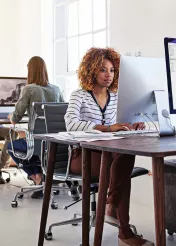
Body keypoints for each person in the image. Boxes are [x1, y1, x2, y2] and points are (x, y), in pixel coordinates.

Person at [64, 47, 154, 246]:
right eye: (103, 70)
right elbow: (70, 123)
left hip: (112, 154)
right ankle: (123, 229)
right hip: (83, 156)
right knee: (121, 165)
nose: (108, 75)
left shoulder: (116, 97)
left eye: (112, 71)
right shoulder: (79, 95)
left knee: (126, 155)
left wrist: (133, 123)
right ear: (91, 70)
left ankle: (113, 205)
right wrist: (106, 128)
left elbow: (120, 123)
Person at [8, 56, 64, 197]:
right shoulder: (56, 90)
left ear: (30, 71)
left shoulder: (29, 89)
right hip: (56, 143)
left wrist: (11, 117)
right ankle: (42, 177)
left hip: (37, 143)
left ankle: (37, 177)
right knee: (35, 147)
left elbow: (16, 118)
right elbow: (64, 113)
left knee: (11, 146)